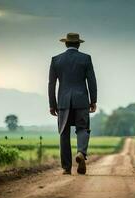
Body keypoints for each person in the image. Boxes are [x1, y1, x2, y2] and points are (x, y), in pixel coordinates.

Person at [48, 33, 97, 175]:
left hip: (63, 102)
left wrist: (52, 104)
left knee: (64, 133)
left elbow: (51, 84)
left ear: (65, 44)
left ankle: (66, 168)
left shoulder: (56, 60)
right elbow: (91, 81)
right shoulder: (86, 59)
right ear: (79, 44)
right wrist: (93, 101)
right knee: (82, 129)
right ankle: (81, 152)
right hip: (81, 101)